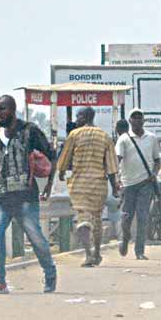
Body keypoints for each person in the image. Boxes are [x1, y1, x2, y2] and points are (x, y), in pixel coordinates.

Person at [0, 95, 58, 295]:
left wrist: (49, 184)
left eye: (3, 109)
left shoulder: (30, 130)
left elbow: (52, 155)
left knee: (36, 238)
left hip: (25, 196)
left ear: (13, 110)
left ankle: (50, 273)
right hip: (1, 197)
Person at [52, 107, 119, 267]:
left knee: (83, 218)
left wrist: (61, 172)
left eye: (78, 116)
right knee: (96, 218)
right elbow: (111, 166)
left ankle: (88, 254)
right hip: (98, 185)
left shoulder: (74, 135)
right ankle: (97, 253)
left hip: (79, 185)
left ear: (84, 117)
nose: (76, 119)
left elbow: (64, 157)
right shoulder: (105, 136)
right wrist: (114, 188)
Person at [116, 109, 161, 260]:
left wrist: (154, 173)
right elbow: (117, 159)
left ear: (143, 120)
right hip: (128, 184)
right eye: (134, 117)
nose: (136, 120)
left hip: (145, 183)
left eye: (139, 117)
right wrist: (115, 178)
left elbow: (157, 161)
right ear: (130, 121)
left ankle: (139, 250)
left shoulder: (151, 138)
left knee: (143, 217)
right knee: (126, 217)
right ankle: (125, 237)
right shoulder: (124, 139)